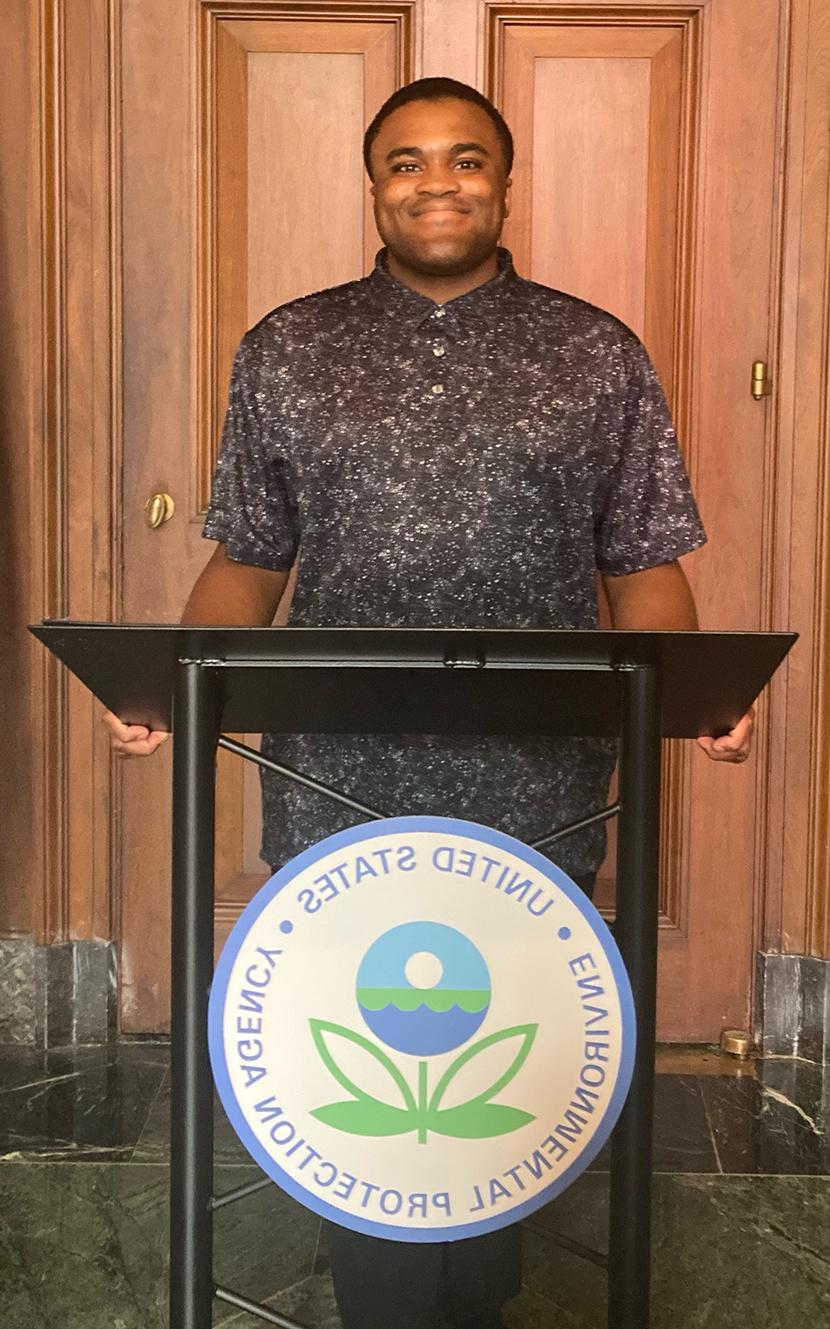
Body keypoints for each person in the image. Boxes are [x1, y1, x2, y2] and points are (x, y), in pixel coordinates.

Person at [105, 78, 753, 1329]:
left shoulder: (591, 349)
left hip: (539, 782)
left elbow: (641, 560)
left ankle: (482, 1288)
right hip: (336, 772)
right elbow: (248, 555)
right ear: (373, 185)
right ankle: (382, 1297)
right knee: (356, 1041)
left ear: (507, 184)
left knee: (503, 1043)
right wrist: (163, 689)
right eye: (405, 162)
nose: (436, 182)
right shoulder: (288, 346)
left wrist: (685, 702)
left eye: (465, 159)